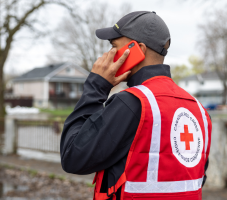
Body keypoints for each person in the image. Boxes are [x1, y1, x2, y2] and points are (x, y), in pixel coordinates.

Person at [60, 11, 211, 200]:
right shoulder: (199, 110)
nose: (108, 55)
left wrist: (96, 86)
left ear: (138, 49)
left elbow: (73, 157)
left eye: (114, 47)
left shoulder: (131, 102)